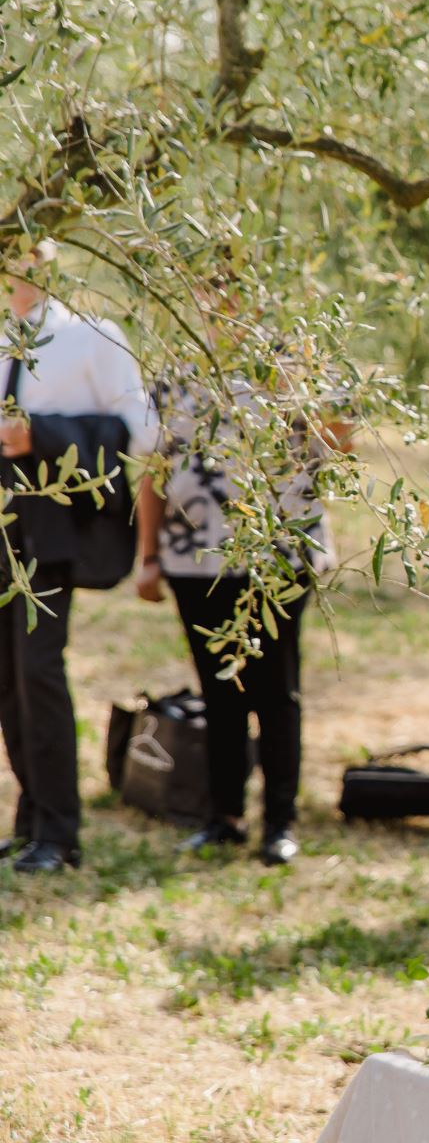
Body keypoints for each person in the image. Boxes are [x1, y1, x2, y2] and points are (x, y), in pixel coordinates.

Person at [133, 306, 351, 867]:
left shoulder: (296, 362)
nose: (221, 304)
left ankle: (279, 821)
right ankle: (224, 816)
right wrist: (148, 556)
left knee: (277, 691)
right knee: (217, 691)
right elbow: (154, 469)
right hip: (193, 559)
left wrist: (307, 393)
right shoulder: (175, 372)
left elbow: (342, 441)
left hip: (277, 556)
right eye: (209, 290)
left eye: (232, 289)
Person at [0, 238, 158, 874]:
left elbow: (137, 432)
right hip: (2, 528)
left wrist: (43, 435)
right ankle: (32, 816)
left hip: (52, 531)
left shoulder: (94, 335)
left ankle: (62, 833)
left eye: (30, 251)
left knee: (39, 672)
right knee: (7, 679)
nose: (21, 265)